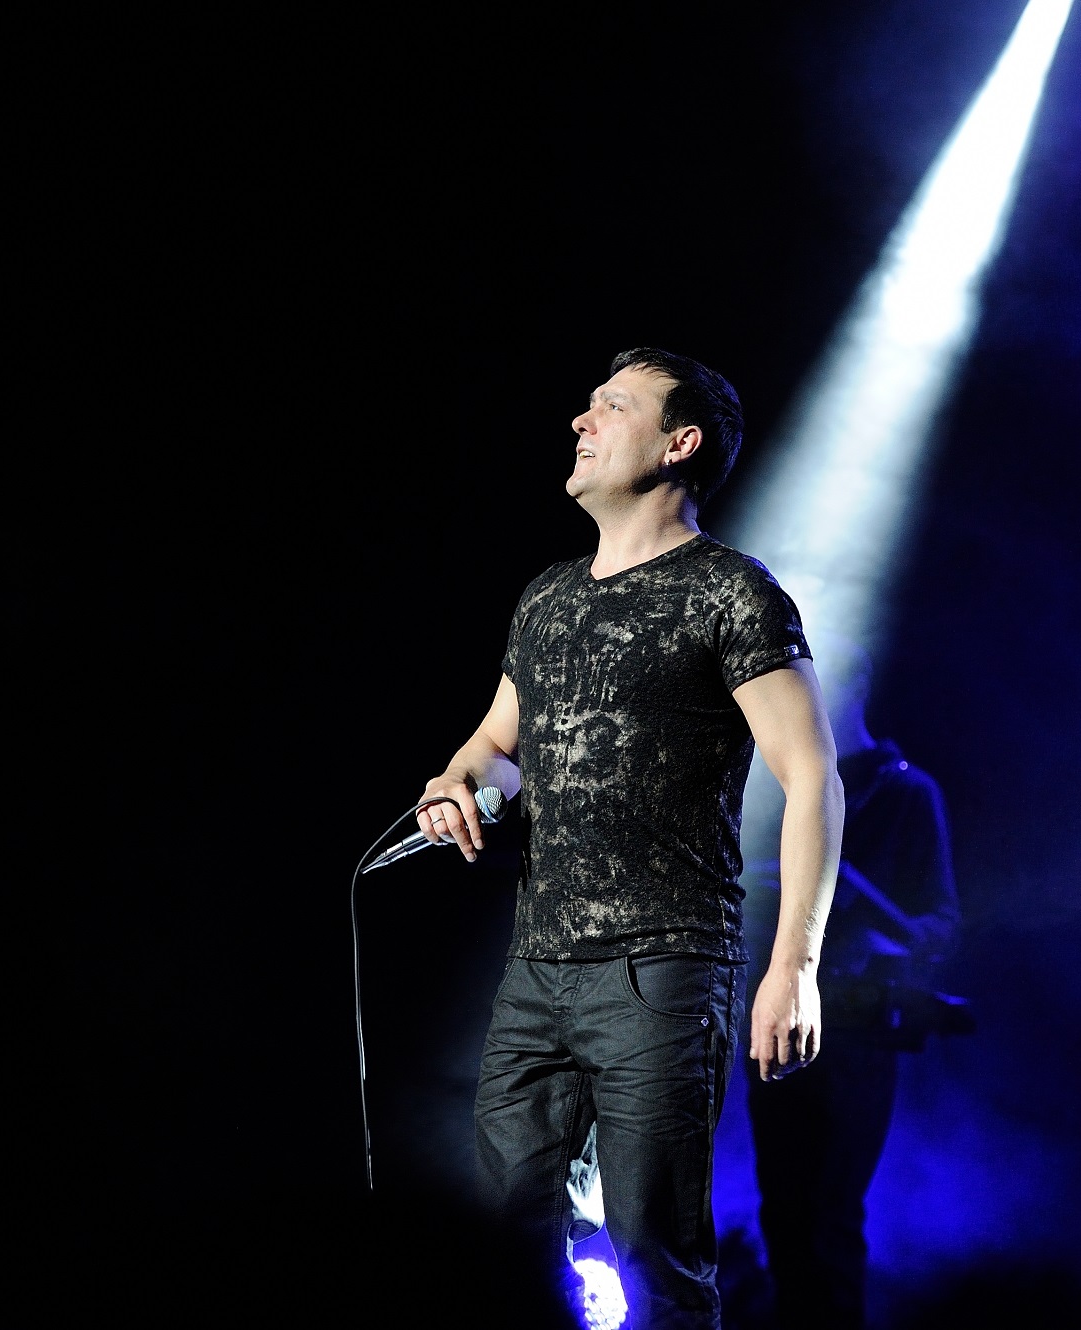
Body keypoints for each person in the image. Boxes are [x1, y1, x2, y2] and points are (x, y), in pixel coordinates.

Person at [410, 347, 845, 1330]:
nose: (581, 421)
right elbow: (499, 746)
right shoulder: (548, 596)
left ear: (678, 443)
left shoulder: (729, 593)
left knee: (656, 1252)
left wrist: (796, 966)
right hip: (536, 971)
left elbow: (812, 777)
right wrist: (458, 783)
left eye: (611, 406)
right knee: (507, 1240)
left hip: (664, 969)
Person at [742, 634, 962, 1330]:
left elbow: (939, 924)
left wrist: (882, 944)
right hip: (778, 1026)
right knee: (782, 1210)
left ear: (857, 680)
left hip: (859, 1037)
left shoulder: (907, 795)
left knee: (831, 1215)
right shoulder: (785, 789)